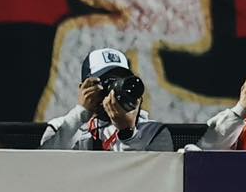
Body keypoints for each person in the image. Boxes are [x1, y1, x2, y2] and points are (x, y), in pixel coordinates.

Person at [40, 47, 169, 152]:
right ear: (83, 88)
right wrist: (80, 114)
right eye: (105, 82)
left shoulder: (153, 133)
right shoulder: (63, 127)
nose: (113, 91)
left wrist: (127, 133)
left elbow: (145, 174)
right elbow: (43, 165)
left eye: (120, 81)